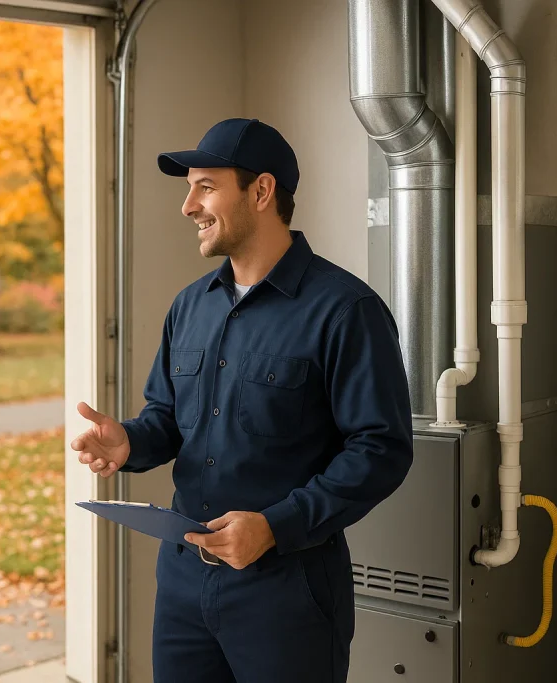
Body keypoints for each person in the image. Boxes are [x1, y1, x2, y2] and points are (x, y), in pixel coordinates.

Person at [71, 118, 414, 682]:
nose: (188, 206)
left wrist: (276, 526)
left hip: (287, 588)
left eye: (205, 186)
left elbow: (381, 449)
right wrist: (130, 440)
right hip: (183, 581)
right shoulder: (190, 306)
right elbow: (169, 419)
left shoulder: (346, 310)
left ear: (261, 191)